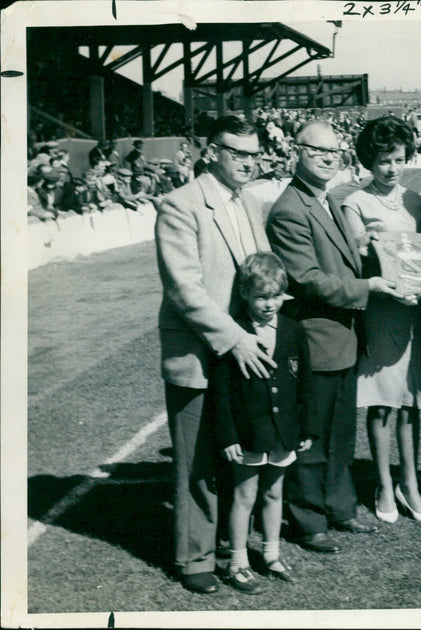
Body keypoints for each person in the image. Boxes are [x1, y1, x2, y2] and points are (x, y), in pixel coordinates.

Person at [266, 120, 405, 554]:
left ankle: (340, 508)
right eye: (318, 151)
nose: (328, 158)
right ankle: (309, 520)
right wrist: (369, 287)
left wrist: (367, 245)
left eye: (334, 152)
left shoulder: (328, 199)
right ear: (297, 151)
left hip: (342, 336)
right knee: (313, 434)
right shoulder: (290, 208)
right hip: (316, 338)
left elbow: (342, 260)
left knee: (341, 432)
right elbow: (307, 280)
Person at [155, 115, 273, 594]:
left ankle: (228, 542)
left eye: (254, 153)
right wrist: (235, 338)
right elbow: (185, 289)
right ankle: (194, 558)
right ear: (211, 151)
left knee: (234, 454)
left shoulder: (250, 202)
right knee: (199, 461)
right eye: (237, 152)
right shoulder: (179, 204)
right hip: (202, 352)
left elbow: (265, 271)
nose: (247, 162)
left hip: (243, 350)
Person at [341, 117, 421, 525]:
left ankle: (410, 484)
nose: (392, 168)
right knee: (381, 403)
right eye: (384, 160)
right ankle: (384, 484)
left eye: (398, 159)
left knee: (411, 404)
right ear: (369, 160)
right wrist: (370, 251)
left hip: (416, 313)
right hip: (382, 312)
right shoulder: (354, 203)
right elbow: (355, 259)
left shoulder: (417, 200)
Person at [209, 252, 315, 593]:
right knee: (245, 495)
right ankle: (237, 561)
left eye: (276, 297)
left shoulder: (293, 330)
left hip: (283, 432)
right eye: (261, 297)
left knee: (274, 493)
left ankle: (271, 555)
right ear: (245, 294)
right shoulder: (233, 332)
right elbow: (221, 392)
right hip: (248, 433)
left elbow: (305, 382)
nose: (270, 304)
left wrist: (306, 427)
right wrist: (228, 435)